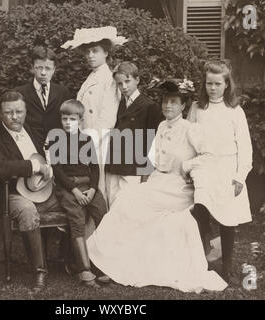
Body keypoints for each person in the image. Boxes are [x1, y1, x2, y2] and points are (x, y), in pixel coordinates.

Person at [86, 79, 228, 293]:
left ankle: (121, 263)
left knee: (135, 205)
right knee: (125, 201)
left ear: (183, 106)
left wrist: (188, 165)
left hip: (178, 188)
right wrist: (147, 178)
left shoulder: (191, 129)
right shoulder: (162, 126)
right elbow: (154, 160)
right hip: (159, 182)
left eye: (173, 102)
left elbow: (211, 155)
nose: (168, 106)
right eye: (165, 102)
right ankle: (112, 261)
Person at [0, 90, 56, 293]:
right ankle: (40, 271)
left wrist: (48, 167)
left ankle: (76, 262)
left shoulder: (32, 131)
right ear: (0, 113)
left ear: (25, 111)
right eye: (9, 112)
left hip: (43, 189)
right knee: (28, 211)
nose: (15, 117)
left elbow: (46, 155)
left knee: (74, 201)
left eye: (19, 111)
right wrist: (33, 166)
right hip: (12, 194)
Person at [187, 60, 253, 285]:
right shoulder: (197, 108)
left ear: (227, 85)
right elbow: (188, 139)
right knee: (201, 212)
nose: (212, 88)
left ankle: (227, 267)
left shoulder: (235, 111)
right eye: (209, 84)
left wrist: (239, 177)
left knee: (227, 219)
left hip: (227, 169)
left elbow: (244, 147)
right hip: (204, 166)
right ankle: (203, 261)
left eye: (217, 84)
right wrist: (188, 167)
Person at [61, 26, 127, 202]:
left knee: (99, 188)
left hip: (98, 141)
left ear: (106, 53)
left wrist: (88, 141)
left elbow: (107, 117)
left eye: (95, 51)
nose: (90, 55)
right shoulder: (91, 78)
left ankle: (102, 228)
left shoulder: (110, 79)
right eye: (87, 52)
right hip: (84, 139)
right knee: (86, 186)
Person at [53, 99, 107, 288]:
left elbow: (95, 168)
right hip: (68, 188)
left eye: (72, 119)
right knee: (76, 219)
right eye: (65, 118)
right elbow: (58, 171)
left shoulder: (86, 140)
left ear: (81, 121)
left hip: (88, 186)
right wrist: (75, 191)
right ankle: (84, 270)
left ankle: (104, 265)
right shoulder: (56, 140)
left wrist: (92, 189)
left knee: (103, 214)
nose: (68, 122)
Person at [105, 62, 163, 207]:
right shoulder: (118, 104)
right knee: (112, 206)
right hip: (115, 165)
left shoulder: (149, 106)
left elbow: (152, 142)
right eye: (119, 84)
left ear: (137, 80)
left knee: (129, 207)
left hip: (133, 167)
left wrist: (146, 172)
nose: (124, 87)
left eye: (127, 81)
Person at [17, 46, 72, 148]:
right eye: (39, 67)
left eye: (47, 68)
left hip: (58, 148)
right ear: (32, 68)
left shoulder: (63, 92)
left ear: (54, 70)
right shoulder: (20, 93)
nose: (43, 73)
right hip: (30, 148)